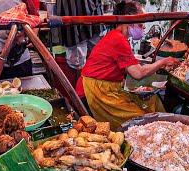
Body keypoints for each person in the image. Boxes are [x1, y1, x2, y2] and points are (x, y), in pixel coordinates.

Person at [76, 1, 180, 130]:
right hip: (97, 91)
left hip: (107, 87)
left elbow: (130, 67)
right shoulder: (118, 39)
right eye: (141, 22)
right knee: (141, 120)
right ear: (130, 19)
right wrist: (162, 62)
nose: (143, 27)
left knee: (151, 102)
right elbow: (138, 73)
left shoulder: (118, 37)